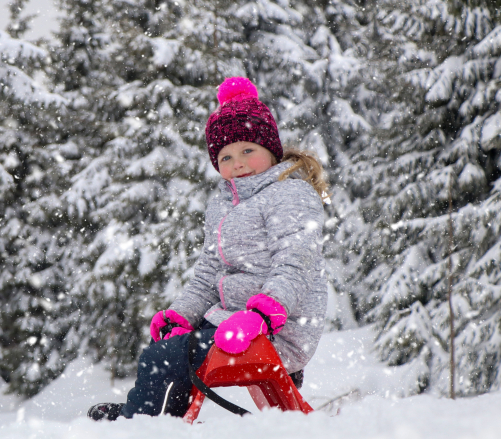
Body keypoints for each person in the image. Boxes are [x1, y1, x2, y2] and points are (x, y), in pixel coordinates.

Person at [88, 77, 328, 421]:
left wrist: (262, 316)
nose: (238, 163)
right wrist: (181, 315)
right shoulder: (223, 205)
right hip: (234, 321)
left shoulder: (288, 193)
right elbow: (207, 274)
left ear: (271, 149)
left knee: (165, 358)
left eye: (248, 150)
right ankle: (159, 414)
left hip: (278, 328)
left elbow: (295, 263)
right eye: (226, 156)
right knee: (167, 346)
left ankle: (140, 420)